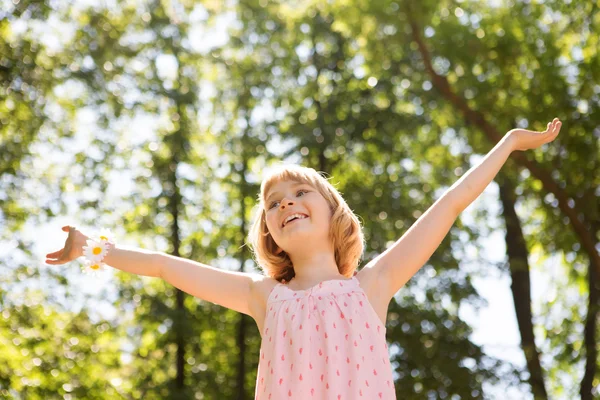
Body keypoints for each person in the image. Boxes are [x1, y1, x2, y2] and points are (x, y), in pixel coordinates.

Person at [45, 118, 562, 399]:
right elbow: (163, 265)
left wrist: (509, 144)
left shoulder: (372, 286)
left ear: (334, 212)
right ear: (269, 232)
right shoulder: (263, 296)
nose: (285, 202)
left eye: (298, 193)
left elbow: (448, 204)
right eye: (273, 203)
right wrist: (92, 249)